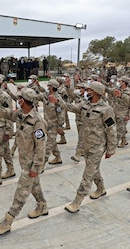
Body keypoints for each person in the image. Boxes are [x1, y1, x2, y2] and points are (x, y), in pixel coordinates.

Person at [0, 88, 48, 235]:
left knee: (21, 192)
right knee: (34, 185)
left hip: (32, 164)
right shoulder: (20, 115)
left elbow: (41, 147)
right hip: (24, 161)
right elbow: (3, 112)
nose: (18, 101)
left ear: (26, 101)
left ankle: (8, 221)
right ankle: (42, 205)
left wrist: (36, 167)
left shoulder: (38, 122)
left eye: (21, 99)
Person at [50, 82, 117, 213]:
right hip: (86, 144)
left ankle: (77, 201)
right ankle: (101, 188)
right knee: (93, 169)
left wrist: (111, 149)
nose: (86, 92)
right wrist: (58, 101)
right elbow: (71, 107)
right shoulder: (85, 104)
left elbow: (111, 130)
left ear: (96, 92)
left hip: (97, 146)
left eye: (89, 90)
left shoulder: (106, 109)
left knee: (87, 174)